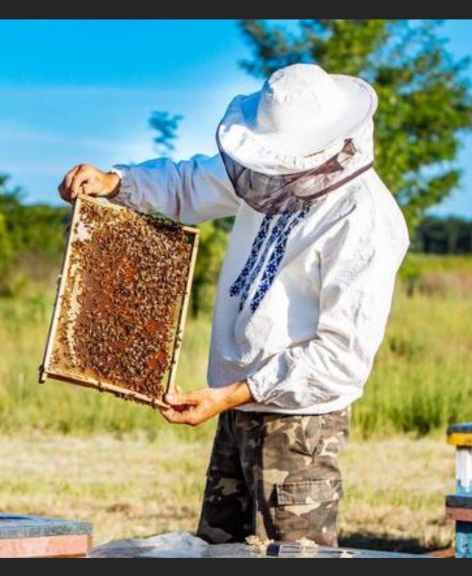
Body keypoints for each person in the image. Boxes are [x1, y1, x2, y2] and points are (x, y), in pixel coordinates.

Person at [57, 63, 410, 546]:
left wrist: (229, 393)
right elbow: (188, 184)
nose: (265, 176)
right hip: (239, 406)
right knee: (220, 556)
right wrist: (116, 182)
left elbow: (339, 360)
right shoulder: (271, 176)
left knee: (290, 561)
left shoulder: (363, 222)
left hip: (300, 426)